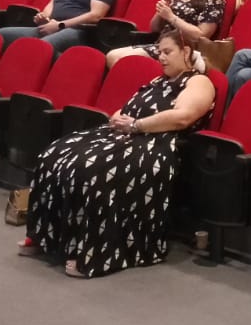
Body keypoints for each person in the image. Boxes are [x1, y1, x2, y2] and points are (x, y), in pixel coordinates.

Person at [21, 32, 215, 278]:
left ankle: (94, 253)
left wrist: (136, 125)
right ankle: (46, 237)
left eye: (168, 52)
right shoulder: (158, 80)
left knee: (91, 168)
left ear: (186, 52)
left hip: (155, 147)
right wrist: (118, 119)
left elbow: (182, 117)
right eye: (159, 53)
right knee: (54, 154)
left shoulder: (198, 82)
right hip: (123, 136)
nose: (161, 58)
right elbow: (125, 109)